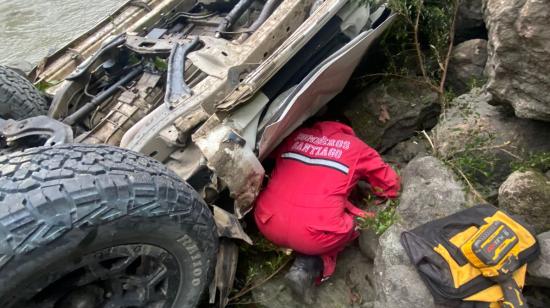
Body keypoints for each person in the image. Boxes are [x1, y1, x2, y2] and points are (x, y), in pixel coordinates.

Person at [254, 119, 400, 302]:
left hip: (267, 221)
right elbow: (390, 184)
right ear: (346, 129)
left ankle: (304, 264)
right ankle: (311, 264)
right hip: (313, 235)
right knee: (358, 217)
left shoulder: (294, 136)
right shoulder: (355, 146)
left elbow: (266, 156)